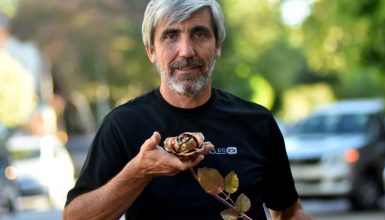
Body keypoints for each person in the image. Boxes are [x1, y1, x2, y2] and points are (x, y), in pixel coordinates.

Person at [63, 0, 312, 219]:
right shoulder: (122, 125)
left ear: (218, 46)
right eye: (171, 36)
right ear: (151, 51)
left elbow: (289, 211)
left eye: (199, 34)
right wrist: (139, 171)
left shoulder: (257, 122)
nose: (186, 51)